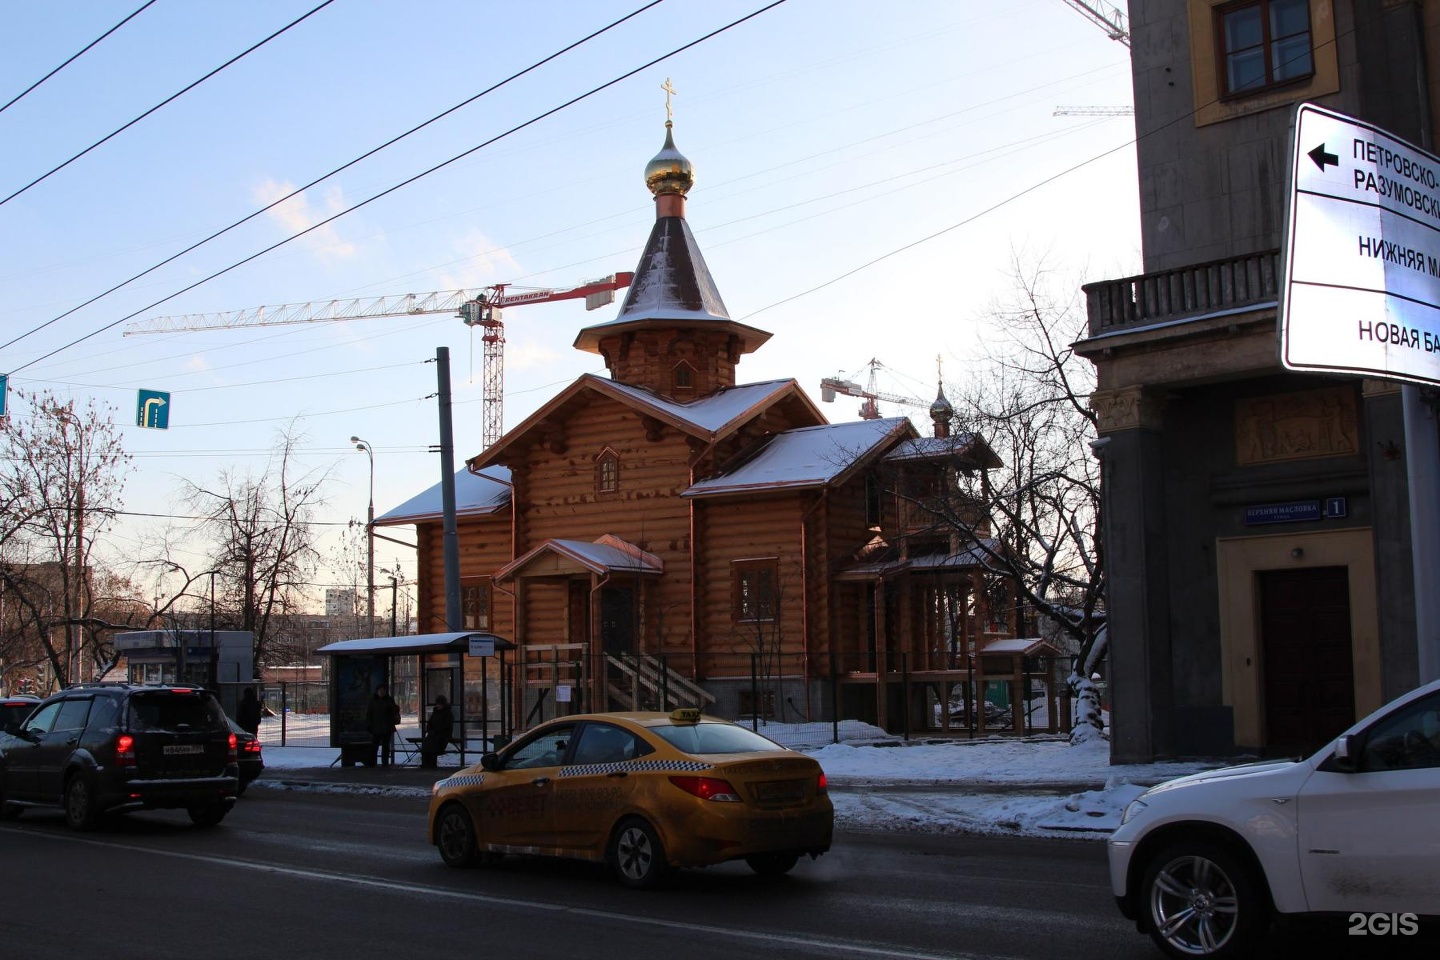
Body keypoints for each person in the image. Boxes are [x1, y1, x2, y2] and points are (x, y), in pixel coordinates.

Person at [365, 685, 401, 767]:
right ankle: (374, 762)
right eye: (380, 690)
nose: (381, 692)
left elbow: (394, 711)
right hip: (378, 727)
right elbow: (369, 714)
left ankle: (384, 763)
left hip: (385, 727)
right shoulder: (375, 700)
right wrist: (369, 725)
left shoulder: (387, 700)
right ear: (377, 691)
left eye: (383, 690)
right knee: (375, 746)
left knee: (384, 746)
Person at [420, 695, 454, 769]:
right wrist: (430, 730)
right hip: (434, 735)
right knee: (427, 745)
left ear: (443, 704)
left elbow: (447, 726)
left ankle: (431, 764)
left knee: (432, 745)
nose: (438, 706)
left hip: (443, 736)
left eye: (440, 704)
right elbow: (430, 723)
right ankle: (426, 763)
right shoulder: (435, 712)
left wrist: (435, 731)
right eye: (437, 704)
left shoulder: (447, 713)